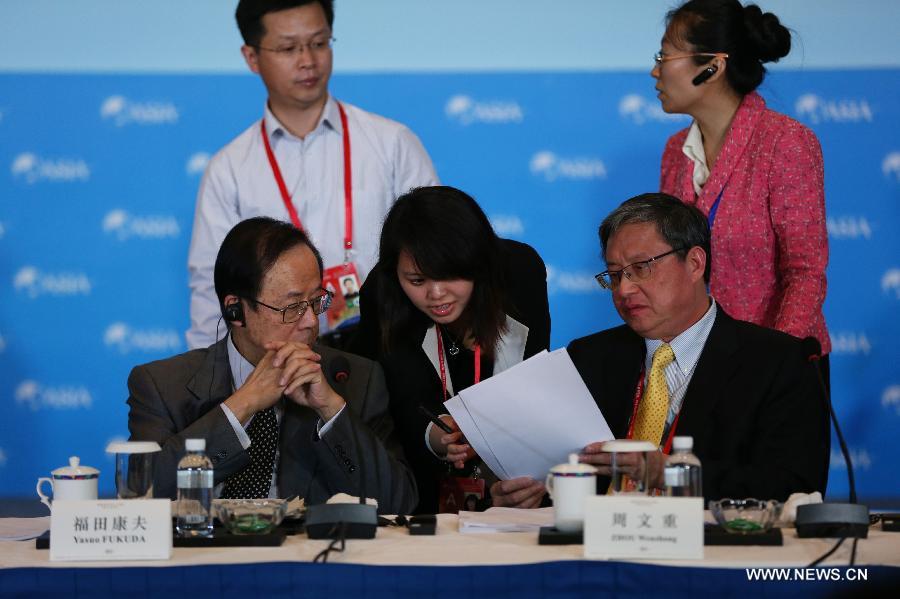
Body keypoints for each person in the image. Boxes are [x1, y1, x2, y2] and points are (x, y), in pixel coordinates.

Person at [491, 193, 828, 506]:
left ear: (695, 263)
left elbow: (794, 488)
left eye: (641, 268)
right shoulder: (589, 359)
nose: (624, 289)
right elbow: (565, 477)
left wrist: (669, 473)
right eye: (614, 275)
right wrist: (530, 495)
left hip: (709, 556)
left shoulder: (778, 362)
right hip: (595, 553)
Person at [187, 0, 439, 349]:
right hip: (279, 360)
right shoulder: (228, 169)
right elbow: (210, 292)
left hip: (390, 349)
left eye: (319, 43)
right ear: (251, 57)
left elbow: (437, 252)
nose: (308, 60)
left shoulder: (392, 143)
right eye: (288, 48)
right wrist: (215, 384)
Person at [128, 217, 417, 514]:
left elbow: (397, 504)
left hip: (308, 555)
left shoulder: (356, 379)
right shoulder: (162, 385)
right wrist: (242, 405)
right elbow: (143, 495)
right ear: (235, 310)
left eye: (316, 301)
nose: (310, 322)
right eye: (292, 307)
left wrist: (331, 410)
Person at [653, 0, 830, 376]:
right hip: (699, 365)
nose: (654, 71)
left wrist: (775, 360)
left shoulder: (786, 142)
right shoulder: (674, 153)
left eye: (664, 56)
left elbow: (805, 273)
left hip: (780, 366)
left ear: (712, 67)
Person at [350, 186, 551, 513]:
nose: (436, 295)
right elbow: (402, 396)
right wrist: (438, 435)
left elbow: (530, 379)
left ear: (477, 260)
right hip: (420, 489)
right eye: (417, 281)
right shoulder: (383, 292)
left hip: (514, 477)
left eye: (449, 275)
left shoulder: (519, 272)